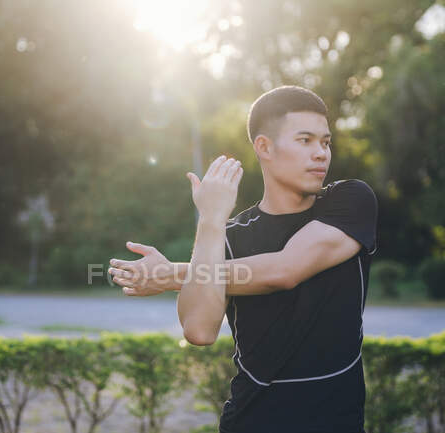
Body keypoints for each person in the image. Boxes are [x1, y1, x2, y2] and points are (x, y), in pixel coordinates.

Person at [108, 85, 377, 433]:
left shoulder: (350, 202)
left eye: (325, 142)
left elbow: (284, 270)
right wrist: (210, 219)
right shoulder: (229, 237)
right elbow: (199, 330)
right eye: (305, 140)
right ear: (264, 147)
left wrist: (171, 274)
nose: (321, 154)